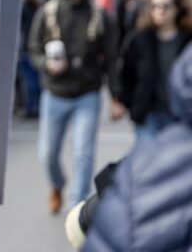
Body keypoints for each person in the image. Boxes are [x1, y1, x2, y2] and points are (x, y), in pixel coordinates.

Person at [82, 41, 192, 250]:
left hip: (167, 122)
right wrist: (124, 100)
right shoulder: (141, 38)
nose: (161, 10)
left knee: (82, 152)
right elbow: (123, 67)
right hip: (150, 116)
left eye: (167, 5)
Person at [28, 0, 118, 214]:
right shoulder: (49, 11)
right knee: (47, 154)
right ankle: (57, 184)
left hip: (87, 95)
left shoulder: (100, 16)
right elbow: (33, 47)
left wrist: (115, 98)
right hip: (54, 93)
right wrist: (46, 63)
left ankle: (76, 207)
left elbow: (112, 58)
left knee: (83, 154)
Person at [117, 0, 192, 141]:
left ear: (177, 9)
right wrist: (132, 104)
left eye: (166, 6)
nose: (160, 10)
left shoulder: (187, 41)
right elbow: (126, 75)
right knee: (148, 162)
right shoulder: (139, 40)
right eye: (155, 6)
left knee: (175, 163)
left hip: (180, 118)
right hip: (148, 114)